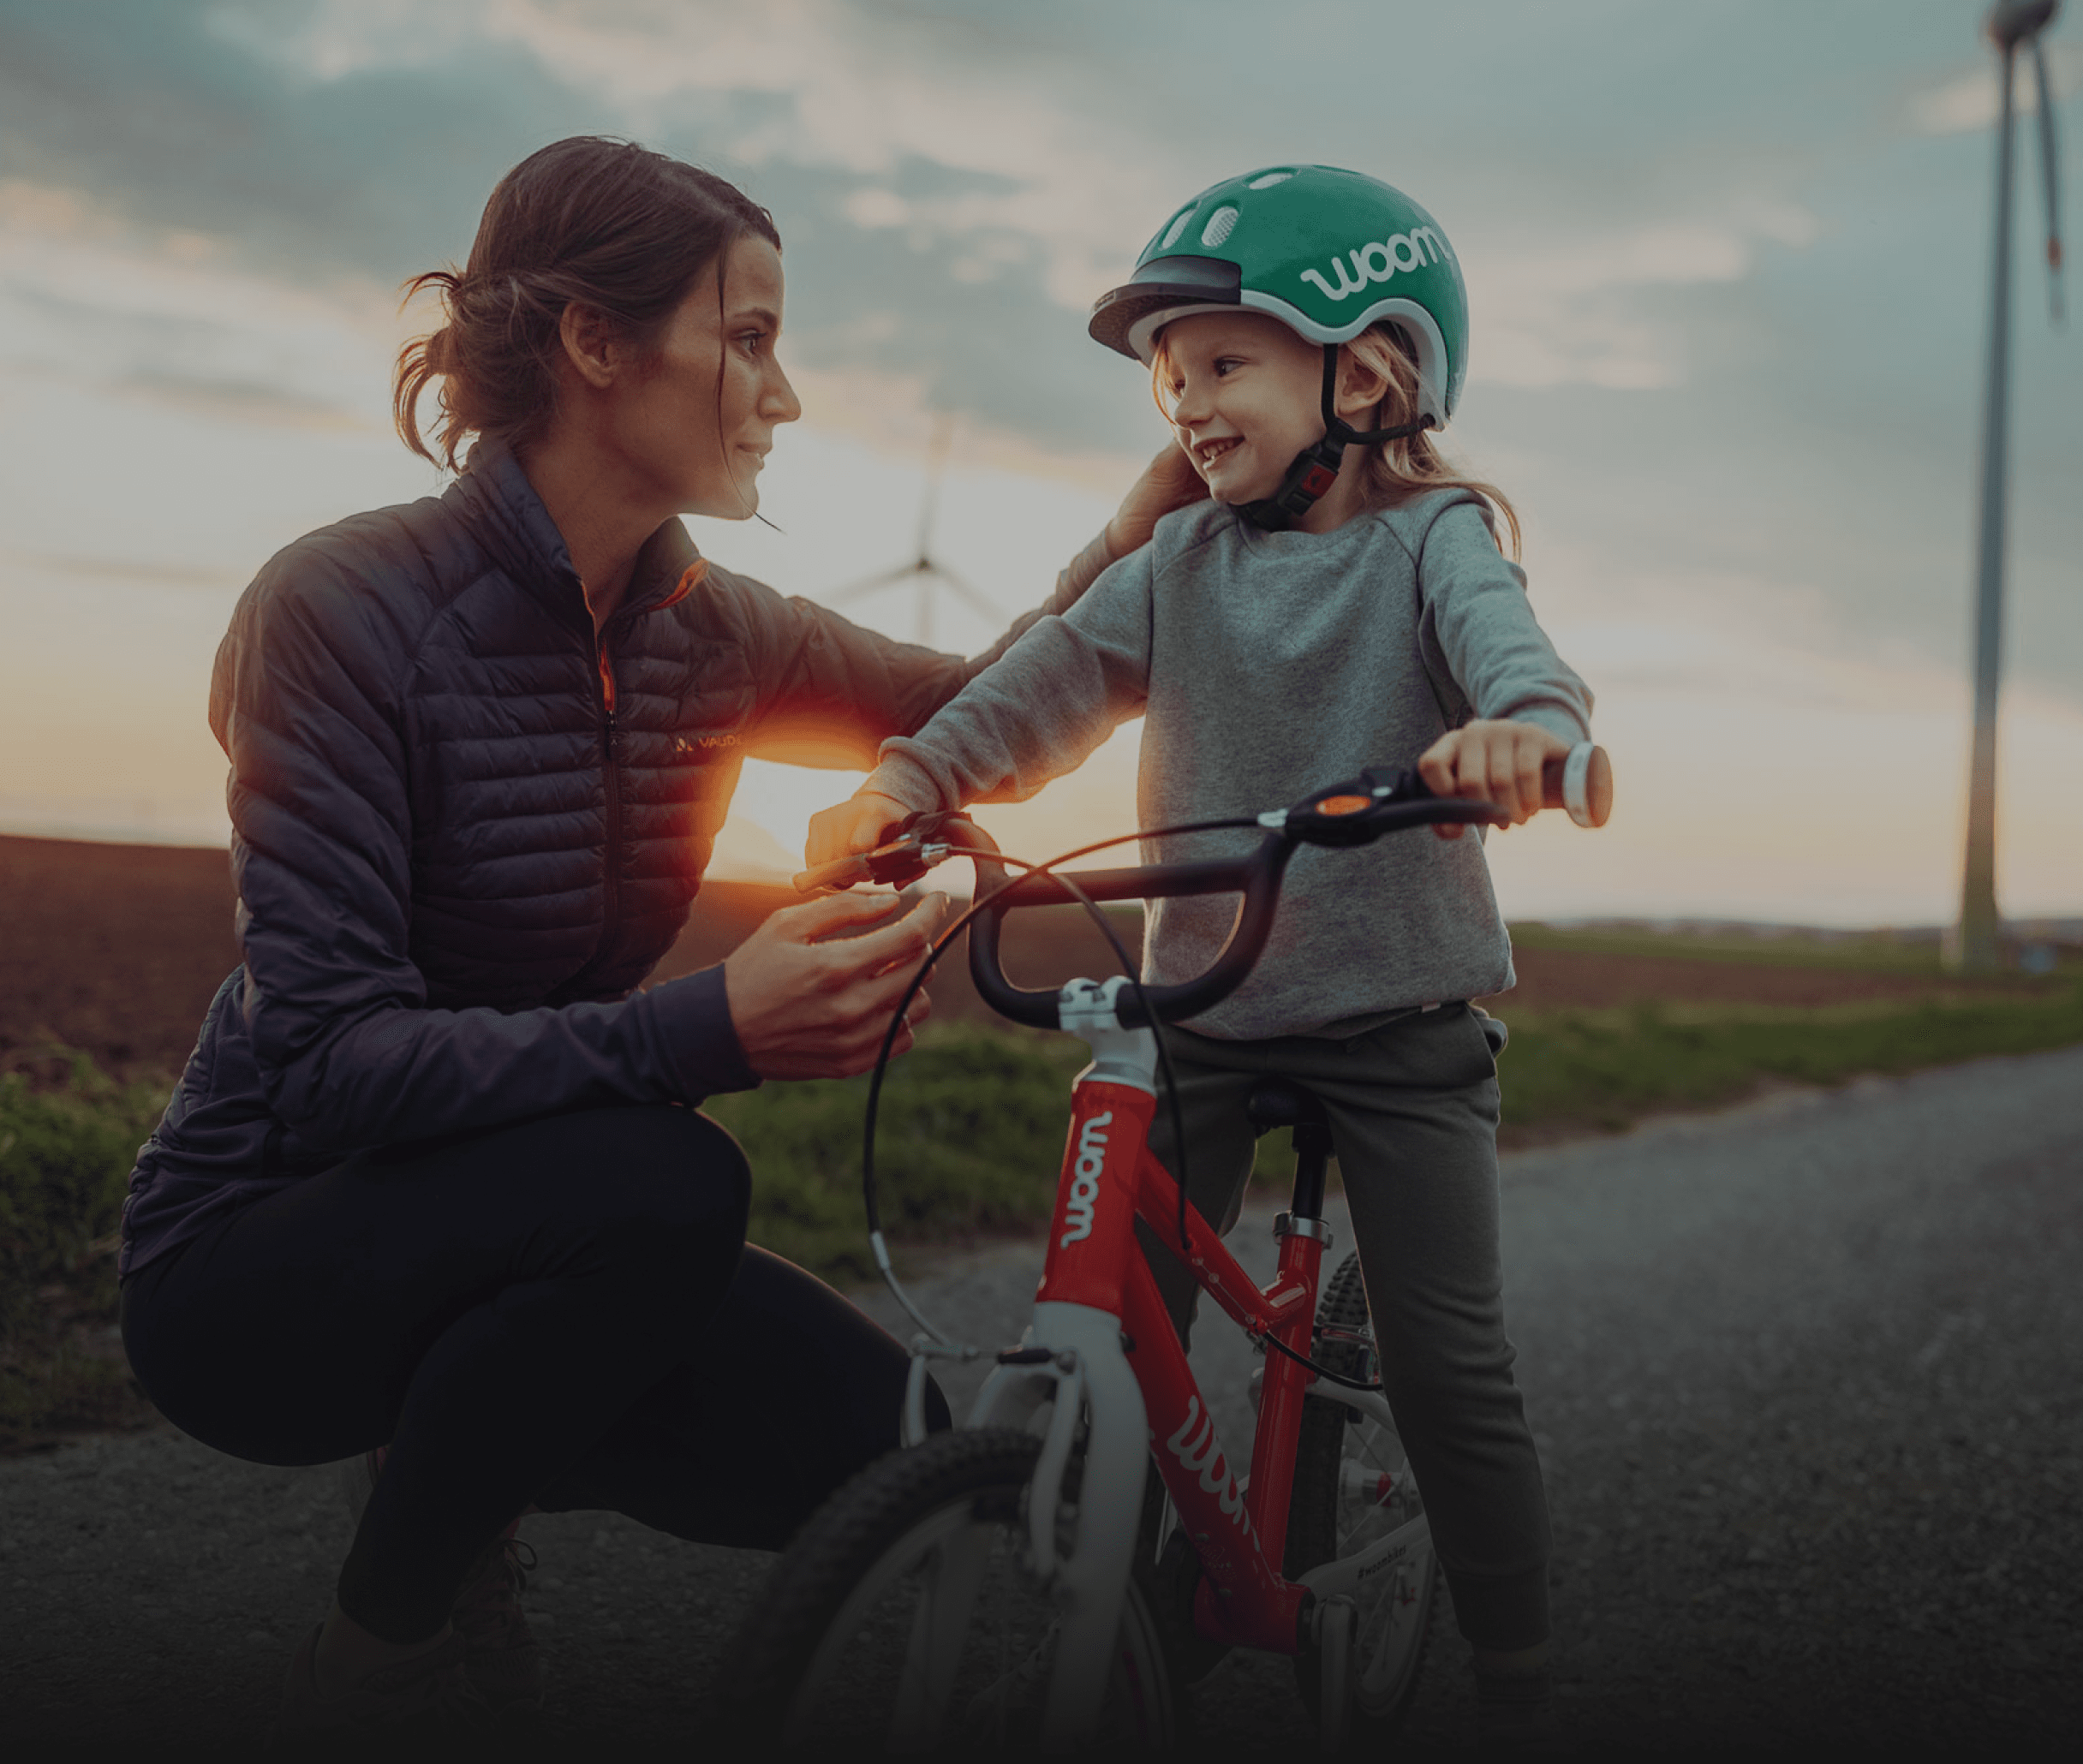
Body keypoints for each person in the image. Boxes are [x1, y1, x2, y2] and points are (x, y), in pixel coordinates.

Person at [114, 136, 1202, 1745]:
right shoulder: (341, 611)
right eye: (748, 337)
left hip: (539, 1210)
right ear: (596, 344)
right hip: (258, 1259)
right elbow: (332, 1070)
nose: (786, 391)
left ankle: (465, 1462)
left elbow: (978, 703)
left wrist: (1146, 532)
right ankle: (386, 1646)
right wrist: (715, 1030)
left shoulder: (719, 630)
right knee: (671, 1175)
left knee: (911, 1457)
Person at [805, 165, 1596, 1747]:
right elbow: (1041, 681)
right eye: (1169, 379)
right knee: (1114, 1306)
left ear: (1364, 373)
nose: (1185, 404)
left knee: (1447, 1368)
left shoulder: (1432, 544)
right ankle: (1132, 1591)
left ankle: (1519, 1672)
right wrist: (912, 780)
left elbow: (1513, 654)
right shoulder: (1175, 568)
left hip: (1398, 1019)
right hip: (1207, 1005)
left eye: (1224, 363)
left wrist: (1527, 734)